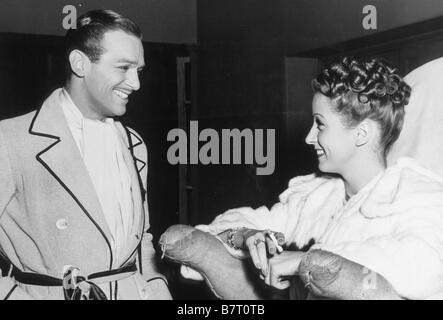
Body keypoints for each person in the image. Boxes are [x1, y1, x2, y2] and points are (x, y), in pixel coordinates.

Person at [180, 57, 443, 299]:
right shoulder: (316, 195)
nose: (308, 137)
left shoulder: (414, 196)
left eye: (320, 124)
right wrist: (247, 235)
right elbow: (228, 226)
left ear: (361, 134)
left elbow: (426, 268)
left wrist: (307, 261)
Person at [0, 9, 171, 300]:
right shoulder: (11, 140)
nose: (136, 83)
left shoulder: (134, 143)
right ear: (80, 63)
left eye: (139, 70)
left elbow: (141, 241)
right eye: (123, 68)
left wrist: (156, 291)